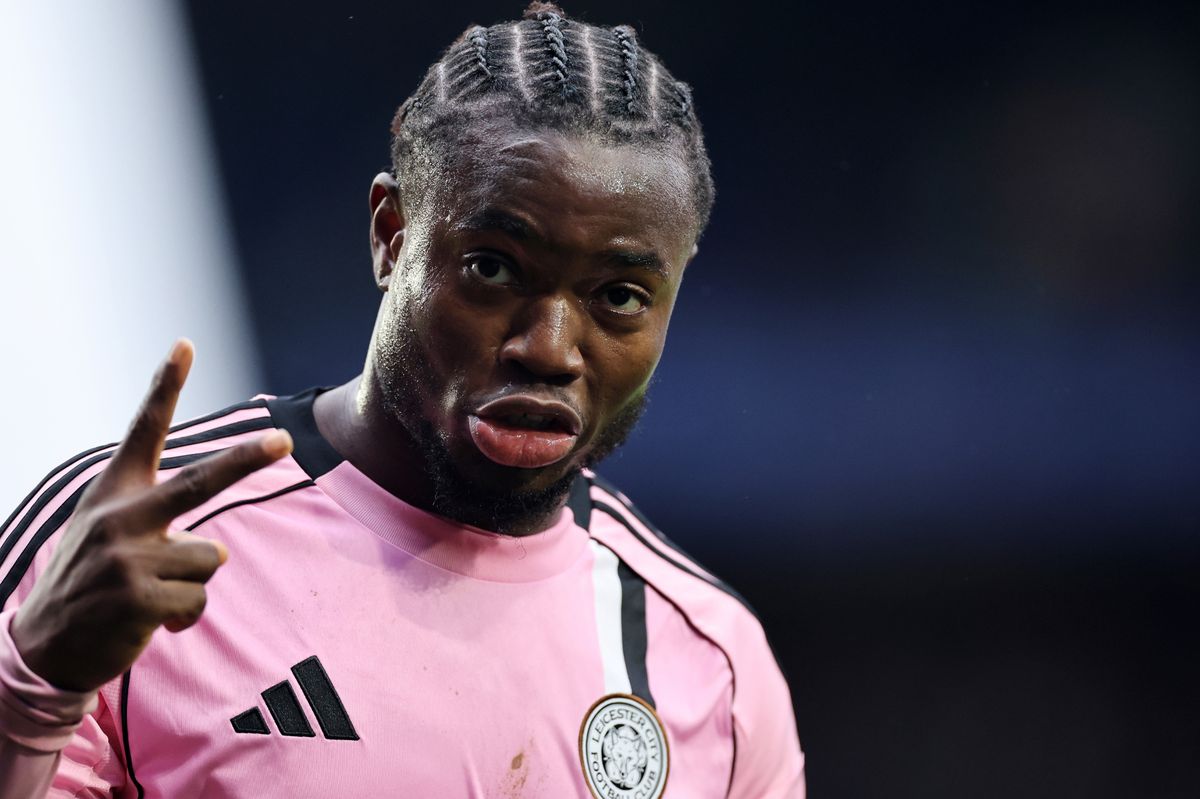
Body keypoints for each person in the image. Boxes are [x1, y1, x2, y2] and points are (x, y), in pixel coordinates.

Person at [0, 4, 804, 796]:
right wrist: (29, 689)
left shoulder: (712, 670)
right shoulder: (127, 545)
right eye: (492, 268)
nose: (549, 347)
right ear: (391, 233)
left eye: (620, 295)